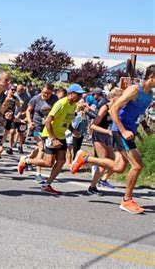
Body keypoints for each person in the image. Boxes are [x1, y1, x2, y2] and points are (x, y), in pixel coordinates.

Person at [72, 64, 155, 214]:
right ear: (152, 77)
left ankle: (86, 158)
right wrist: (122, 131)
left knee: (118, 167)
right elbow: (113, 109)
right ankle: (126, 200)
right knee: (137, 165)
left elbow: (139, 113)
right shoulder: (135, 90)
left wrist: (145, 127)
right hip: (121, 130)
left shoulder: (149, 95)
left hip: (129, 130)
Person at [18, 84, 85, 195]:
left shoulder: (73, 105)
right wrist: (53, 138)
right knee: (48, 163)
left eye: (81, 94)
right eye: (78, 94)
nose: (80, 96)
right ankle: (26, 160)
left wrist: (73, 130)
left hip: (61, 135)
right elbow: (48, 121)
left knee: (61, 161)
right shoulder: (61, 103)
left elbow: (66, 121)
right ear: (71, 94)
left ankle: (47, 185)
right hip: (50, 134)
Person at [25, 83, 58, 184]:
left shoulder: (55, 98)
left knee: (39, 148)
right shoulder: (35, 99)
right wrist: (30, 122)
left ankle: (27, 159)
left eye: (48, 93)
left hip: (48, 128)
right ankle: (38, 174)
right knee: (42, 148)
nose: (45, 95)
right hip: (37, 126)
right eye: (44, 93)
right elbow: (28, 111)